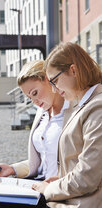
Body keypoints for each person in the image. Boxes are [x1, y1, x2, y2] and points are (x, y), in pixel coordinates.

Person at [0, 60, 69, 208]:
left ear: (49, 79)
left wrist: (51, 185)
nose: (34, 101)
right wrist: (12, 169)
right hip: (35, 184)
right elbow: (43, 160)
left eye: (35, 93)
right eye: (29, 98)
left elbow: (84, 167)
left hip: (55, 192)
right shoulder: (42, 113)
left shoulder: (74, 112)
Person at [32, 42, 102, 208]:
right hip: (70, 197)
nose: (55, 90)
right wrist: (61, 180)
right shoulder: (86, 105)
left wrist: (49, 189)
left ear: (73, 70)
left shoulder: (97, 108)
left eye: (55, 81)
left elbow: (87, 176)